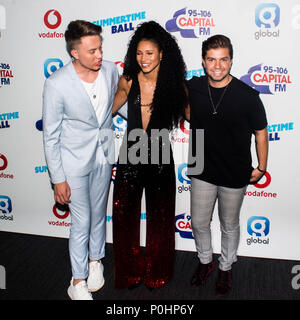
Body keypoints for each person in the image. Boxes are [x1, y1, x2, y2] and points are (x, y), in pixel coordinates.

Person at [186, 34, 268, 296]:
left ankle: (225, 267)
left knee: (229, 224)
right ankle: (205, 262)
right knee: (199, 222)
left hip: (235, 169)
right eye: (211, 59)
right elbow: (167, 93)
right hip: (201, 165)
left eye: (223, 60)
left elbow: (261, 132)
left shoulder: (247, 96)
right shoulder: (193, 87)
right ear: (203, 61)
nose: (217, 66)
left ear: (231, 61)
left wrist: (262, 167)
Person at [42, 20, 119, 300]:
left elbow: (116, 106)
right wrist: (57, 178)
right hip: (73, 162)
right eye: (92, 51)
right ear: (75, 53)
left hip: (104, 155)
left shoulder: (110, 70)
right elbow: (50, 136)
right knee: (81, 221)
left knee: (99, 214)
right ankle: (77, 282)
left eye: (100, 48)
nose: (99, 55)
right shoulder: (56, 83)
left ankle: (95, 261)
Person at [112, 20, 188, 289]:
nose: (143, 59)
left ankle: (158, 271)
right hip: (131, 150)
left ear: (162, 54)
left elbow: (195, 116)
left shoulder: (174, 85)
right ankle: (129, 271)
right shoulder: (128, 80)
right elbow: (104, 112)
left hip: (159, 151)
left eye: (150, 53)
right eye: (139, 53)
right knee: (123, 217)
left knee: (162, 217)